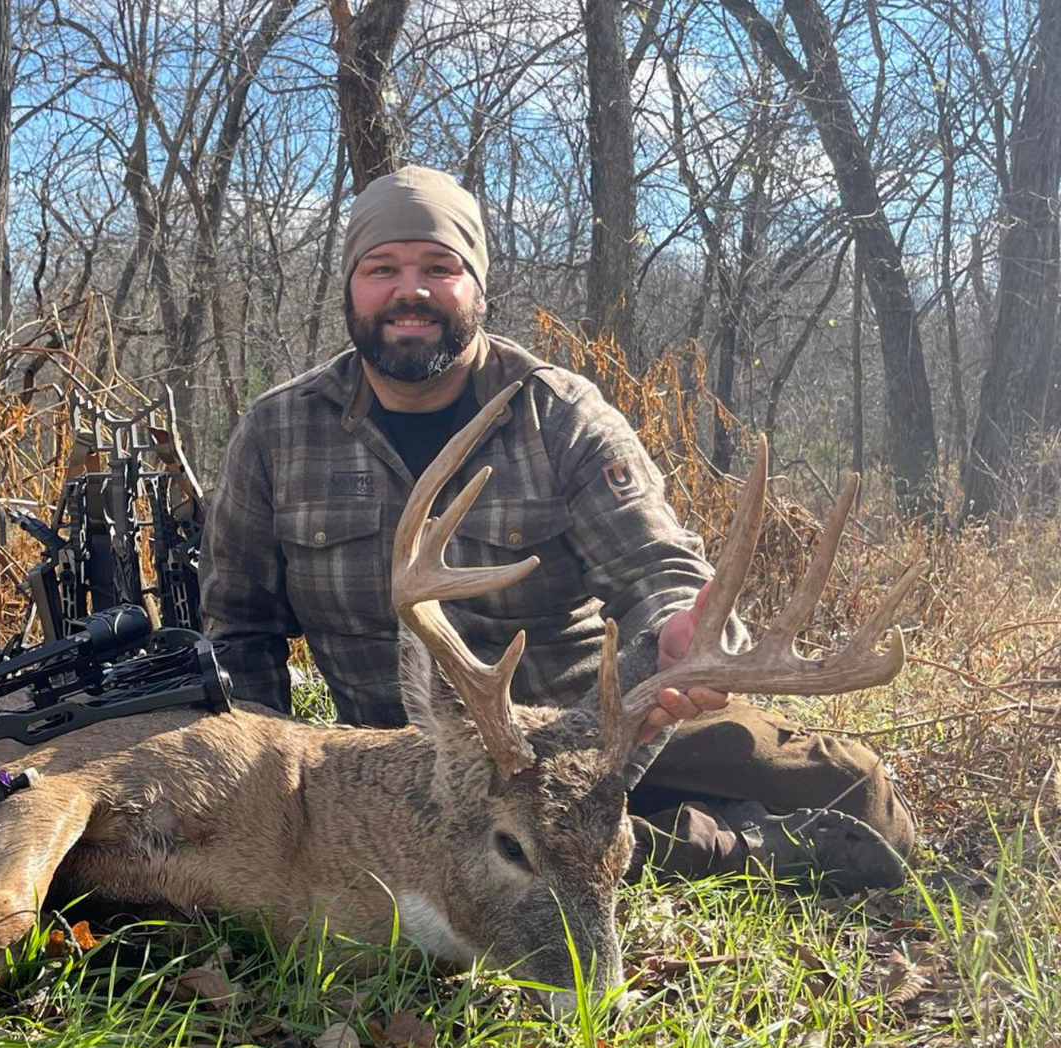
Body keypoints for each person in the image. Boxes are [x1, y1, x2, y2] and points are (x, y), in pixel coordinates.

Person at [200, 165, 912, 893]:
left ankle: (637, 843)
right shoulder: (277, 431)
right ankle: (688, 849)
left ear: (479, 287)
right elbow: (239, 631)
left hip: (591, 738)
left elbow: (660, 568)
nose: (409, 290)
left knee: (860, 793)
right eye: (382, 268)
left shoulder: (560, 414)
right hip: (403, 759)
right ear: (351, 286)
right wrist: (269, 787)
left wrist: (682, 629)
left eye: (440, 267)